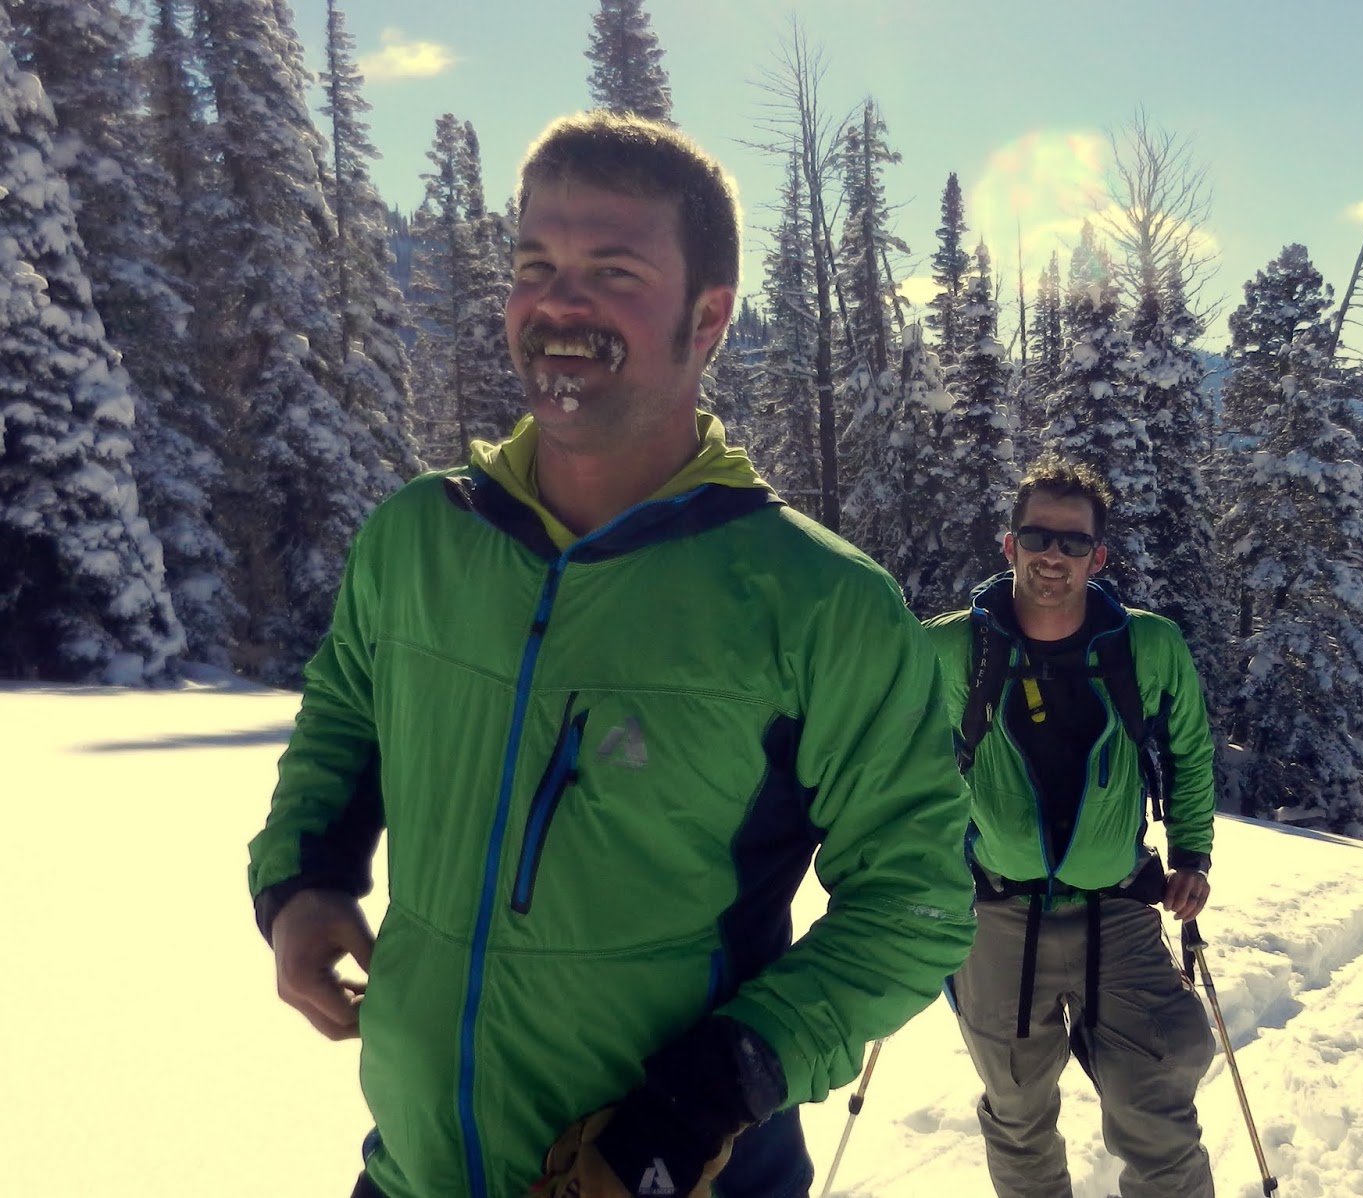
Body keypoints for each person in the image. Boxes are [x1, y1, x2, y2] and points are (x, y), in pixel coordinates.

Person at [247, 111, 975, 1198]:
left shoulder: (815, 602)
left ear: (708, 317)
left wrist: (704, 1097)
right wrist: (302, 882)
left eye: (613, 270)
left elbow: (916, 901)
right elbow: (347, 716)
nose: (560, 302)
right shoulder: (419, 537)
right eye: (535, 264)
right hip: (412, 1170)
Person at [923, 456, 1218, 1198]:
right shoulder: (950, 648)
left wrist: (1192, 854)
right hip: (993, 912)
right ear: (1009, 545)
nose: (1053, 555)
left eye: (1072, 542)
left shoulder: (1148, 647)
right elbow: (898, 761)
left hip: (1114, 910)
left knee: (1155, 1100)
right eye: (1037, 537)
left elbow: (1188, 750)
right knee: (1017, 1112)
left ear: (1099, 555)